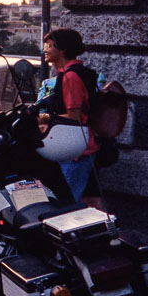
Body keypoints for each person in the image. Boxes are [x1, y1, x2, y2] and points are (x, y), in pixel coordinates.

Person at [41, 28, 98, 202]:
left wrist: (46, 119)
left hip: (75, 151)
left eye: (50, 45)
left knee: (67, 203)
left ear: (62, 50)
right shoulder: (72, 73)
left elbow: (75, 117)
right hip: (77, 147)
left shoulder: (70, 77)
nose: (45, 49)